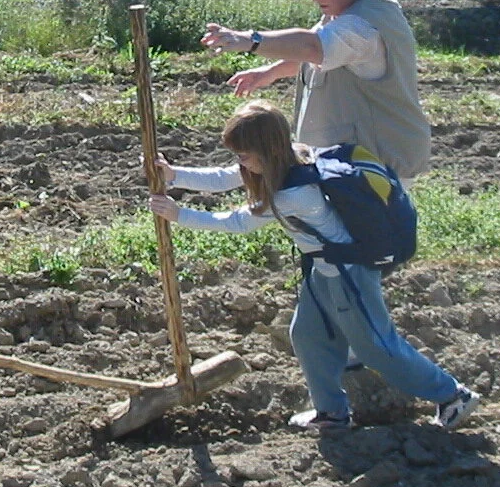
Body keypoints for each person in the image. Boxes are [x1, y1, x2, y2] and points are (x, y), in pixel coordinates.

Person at [148, 100, 479, 432]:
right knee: (306, 335)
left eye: (244, 155)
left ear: (266, 150)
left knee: (376, 347)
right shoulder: (289, 156)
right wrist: (174, 175)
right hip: (324, 270)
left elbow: (236, 222)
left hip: (349, 273)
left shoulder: (295, 193)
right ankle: (332, 412)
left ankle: (452, 395)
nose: (240, 163)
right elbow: (225, 177)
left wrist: (179, 215)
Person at [201, 0, 431, 181]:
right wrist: (271, 72)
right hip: (351, 166)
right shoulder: (345, 7)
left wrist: (249, 40)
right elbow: (312, 54)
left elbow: (313, 46)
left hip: (376, 168)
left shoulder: (363, 26)